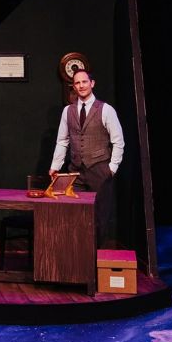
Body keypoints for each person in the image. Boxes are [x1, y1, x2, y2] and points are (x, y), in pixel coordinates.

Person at [48, 69, 125, 247]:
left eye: (84, 82)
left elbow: (118, 142)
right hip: (75, 171)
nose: (81, 86)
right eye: (77, 83)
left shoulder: (106, 109)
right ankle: (78, 259)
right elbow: (62, 140)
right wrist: (55, 165)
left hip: (99, 169)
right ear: (73, 87)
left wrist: (111, 168)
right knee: (75, 216)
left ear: (92, 83)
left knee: (99, 217)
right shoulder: (68, 111)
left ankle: (95, 258)